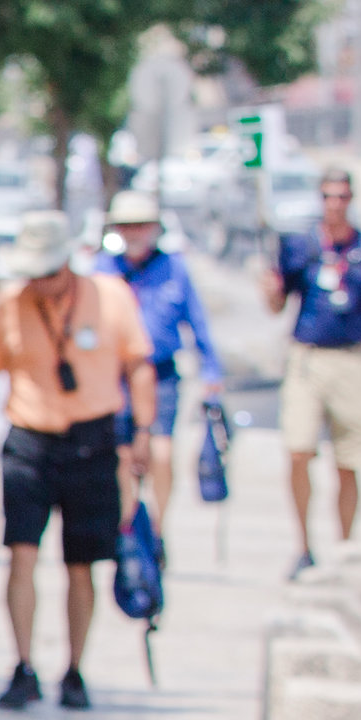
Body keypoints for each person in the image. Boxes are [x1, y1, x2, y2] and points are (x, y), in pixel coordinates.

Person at [0, 211, 155, 708]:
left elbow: (139, 366)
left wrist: (142, 432)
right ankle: (22, 664)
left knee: (82, 564)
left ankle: (75, 668)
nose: (42, 284)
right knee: (22, 554)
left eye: (50, 272)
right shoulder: (8, 306)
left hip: (92, 442)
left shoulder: (110, 296)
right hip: (29, 440)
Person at [263, 167, 361, 572]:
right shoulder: (302, 248)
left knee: (349, 460)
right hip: (308, 357)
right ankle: (303, 544)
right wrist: (269, 288)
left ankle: (344, 544)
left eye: (342, 197)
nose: (335, 204)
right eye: (328, 196)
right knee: (298, 448)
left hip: (353, 357)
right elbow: (277, 305)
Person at [104, 190, 225, 537]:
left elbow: (197, 323)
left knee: (160, 450)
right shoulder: (103, 269)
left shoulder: (174, 268)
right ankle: (127, 529)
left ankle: (158, 528)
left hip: (162, 374)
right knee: (123, 455)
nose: (134, 233)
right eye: (127, 226)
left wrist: (211, 370)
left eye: (141, 225)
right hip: (117, 376)